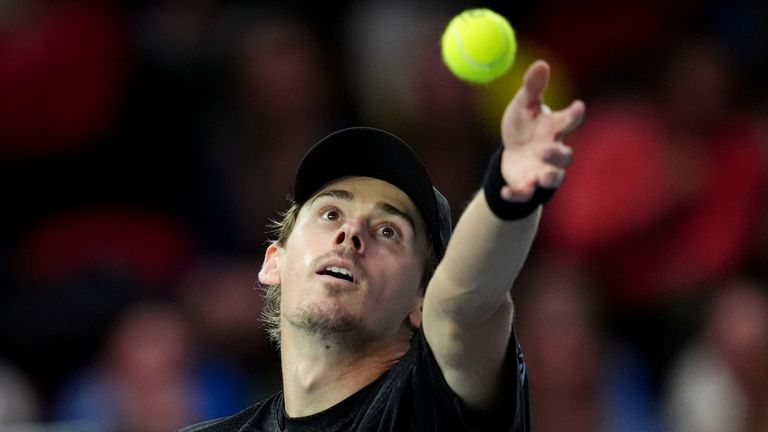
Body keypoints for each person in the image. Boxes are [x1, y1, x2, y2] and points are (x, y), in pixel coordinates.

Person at [179, 60, 585, 432]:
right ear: (273, 262)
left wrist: (508, 190)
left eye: (389, 230)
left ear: (421, 303)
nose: (351, 232)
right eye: (330, 214)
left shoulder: (429, 407)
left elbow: (465, 301)